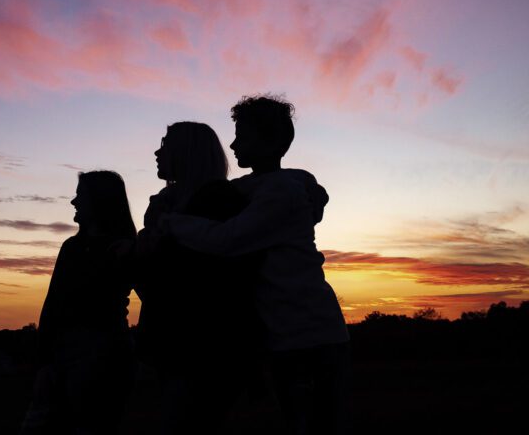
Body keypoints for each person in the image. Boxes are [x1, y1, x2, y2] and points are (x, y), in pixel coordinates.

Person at [158, 96, 350, 434]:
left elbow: (228, 240)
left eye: (242, 136)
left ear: (272, 141)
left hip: (308, 334)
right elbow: (241, 187)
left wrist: (173, 224)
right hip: (290, 333)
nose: (232, 144)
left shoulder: (282, 194)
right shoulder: (271, 185)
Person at [134, 121, 263, 433]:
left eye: (165, 145)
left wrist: (143, 251)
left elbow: (196, 279)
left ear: (186, 152)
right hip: (172, 344)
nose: (157, 152)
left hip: (206, 348)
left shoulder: (219, 199)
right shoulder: (164, 204)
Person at [22, 170, 137, 435]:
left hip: (102, 352)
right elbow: (53, 306)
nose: (74, 202)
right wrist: (45, 360)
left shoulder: (123, 247)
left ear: (99, 201)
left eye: (80, 196)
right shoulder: (72, 246)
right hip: (68, 351)